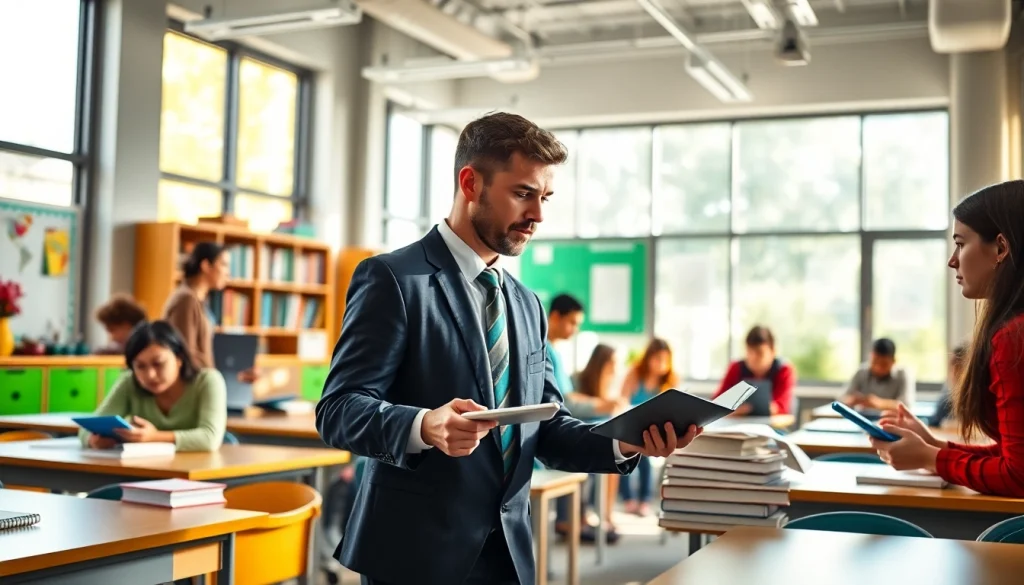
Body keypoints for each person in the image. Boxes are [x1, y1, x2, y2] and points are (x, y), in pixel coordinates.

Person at [315, 112, 700, 585]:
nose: (538, 215)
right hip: (415, 555)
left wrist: (627, 439)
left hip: (509, 554)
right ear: (471, 182)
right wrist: (422, 425)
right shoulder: (393, 279)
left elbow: (547, 424)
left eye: (545, 197)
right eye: (523, 194)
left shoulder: (525, 304)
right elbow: (338, 409)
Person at [871, 181, 1024, 497]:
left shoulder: (1014, 338)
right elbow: (1016, 458)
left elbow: (1018, 475)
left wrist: (932, 457)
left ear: (1000, 248)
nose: (952, 260)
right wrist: (934, 446)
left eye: (960, 243)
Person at [79, 320, 227, 452]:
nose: (150, 375)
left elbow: (210, 438)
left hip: (196, 474)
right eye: (140, 366)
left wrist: (154, 437)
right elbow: (86, 429)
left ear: (179, 359)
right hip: (145, 471)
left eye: (158, 364)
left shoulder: (208, 381)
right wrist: (93, 441)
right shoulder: (129, 382)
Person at [556, 343, 626, 542]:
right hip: (575, 431)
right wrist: (605, 404)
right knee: (589, 456)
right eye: (611, 363)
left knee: (616, 457)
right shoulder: (577, 380)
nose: (614, 368)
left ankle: (605, 515)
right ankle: (573, 521)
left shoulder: (608, 382)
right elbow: (571, 407)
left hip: (595, 432)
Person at [163, 242, 257, 382]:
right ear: (206, 265)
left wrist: (234, 375)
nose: (228, 272)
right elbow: (186, 354)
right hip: (194, 388)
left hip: (206, 382)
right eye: (224, 265)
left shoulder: (199, 301)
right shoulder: (186, 300)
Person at [618, 338, 679, 517]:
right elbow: (622, 401)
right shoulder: (635, 374)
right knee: (628, 455)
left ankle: (644, 500)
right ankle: (629, 499)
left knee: (646, 456)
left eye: (665, 360)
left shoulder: (670, 380)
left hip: (655, 430)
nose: (661, 364)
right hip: (632, 426)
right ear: (649, 358)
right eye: (657, 359)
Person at [712, 325, 796, 416]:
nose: (753, 358)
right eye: (749, 352)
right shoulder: (735, 368)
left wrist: (756, 408)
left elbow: (782, 407)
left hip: (773, 427)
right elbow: (717, 402)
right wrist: (735, 410)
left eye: (760, 353)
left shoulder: (784, 370)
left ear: (773, 351)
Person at [839, 338, 915, 412]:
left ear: (893, 361)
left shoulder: (902, 374)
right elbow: (842, 399)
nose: (878, 368)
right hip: (862, 420)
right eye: (874, 362)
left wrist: (878, 403)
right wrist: (852, 400)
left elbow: (906, 405)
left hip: (891, 422)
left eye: (884, 364)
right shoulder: (861, 372)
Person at [928, 342, 968, 428]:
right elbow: (935, 421)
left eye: (959, 366)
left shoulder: (976, 394)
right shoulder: (948, 389)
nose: (954, 372)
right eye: (952, 365)